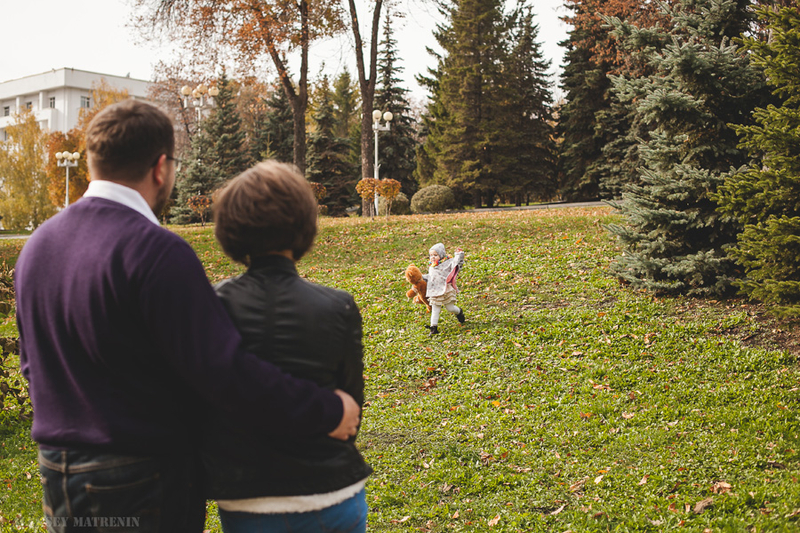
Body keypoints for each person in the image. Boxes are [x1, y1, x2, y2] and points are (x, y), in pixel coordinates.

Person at [14, 100, 360, 533]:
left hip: (58, 473)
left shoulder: (36, 248)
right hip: (140, 477)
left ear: (91, 162)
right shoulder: (154, 250)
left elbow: (32, 365)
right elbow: (223, 371)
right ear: (161, 168)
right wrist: (326, 410)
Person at [203, 161, 371, 533]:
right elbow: (351, 410)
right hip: (333, 493)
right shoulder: (338, 306)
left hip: (247, 496)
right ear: (304, 224)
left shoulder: (211, 305)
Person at [424, 243, 466, 335]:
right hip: (435, 290)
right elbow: (431, 277)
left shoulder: (447, 263)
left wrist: (459, 254)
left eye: (435, 255)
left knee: (450, 308)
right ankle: (433, 328)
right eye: (431, 255)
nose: (433, 257)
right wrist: (421, 278)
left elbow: (456, 262)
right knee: (435, 309)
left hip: (446, 289)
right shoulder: (432, 266)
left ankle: (459, 312)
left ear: (441, 255)